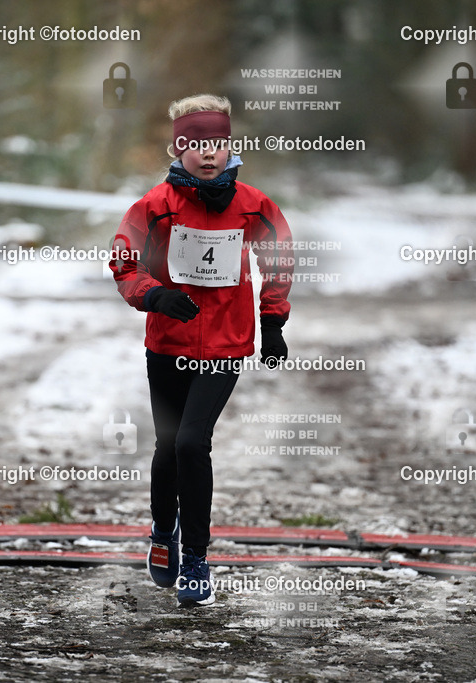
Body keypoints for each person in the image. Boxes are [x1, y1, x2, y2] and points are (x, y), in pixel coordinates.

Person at [109, 93, 293, 607]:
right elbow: (124, 262)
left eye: (217, 143)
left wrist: (272, 322)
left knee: (192, 442)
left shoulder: (254, 204)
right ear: (179, 149)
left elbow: (279, 257)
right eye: (196, 145)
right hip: (168, 345)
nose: (208, 153)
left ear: (229, 146)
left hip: (224, 347)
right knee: (168, 445)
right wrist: (155, 296)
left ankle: (196, 558)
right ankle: (161, 532)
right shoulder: (154, 206)